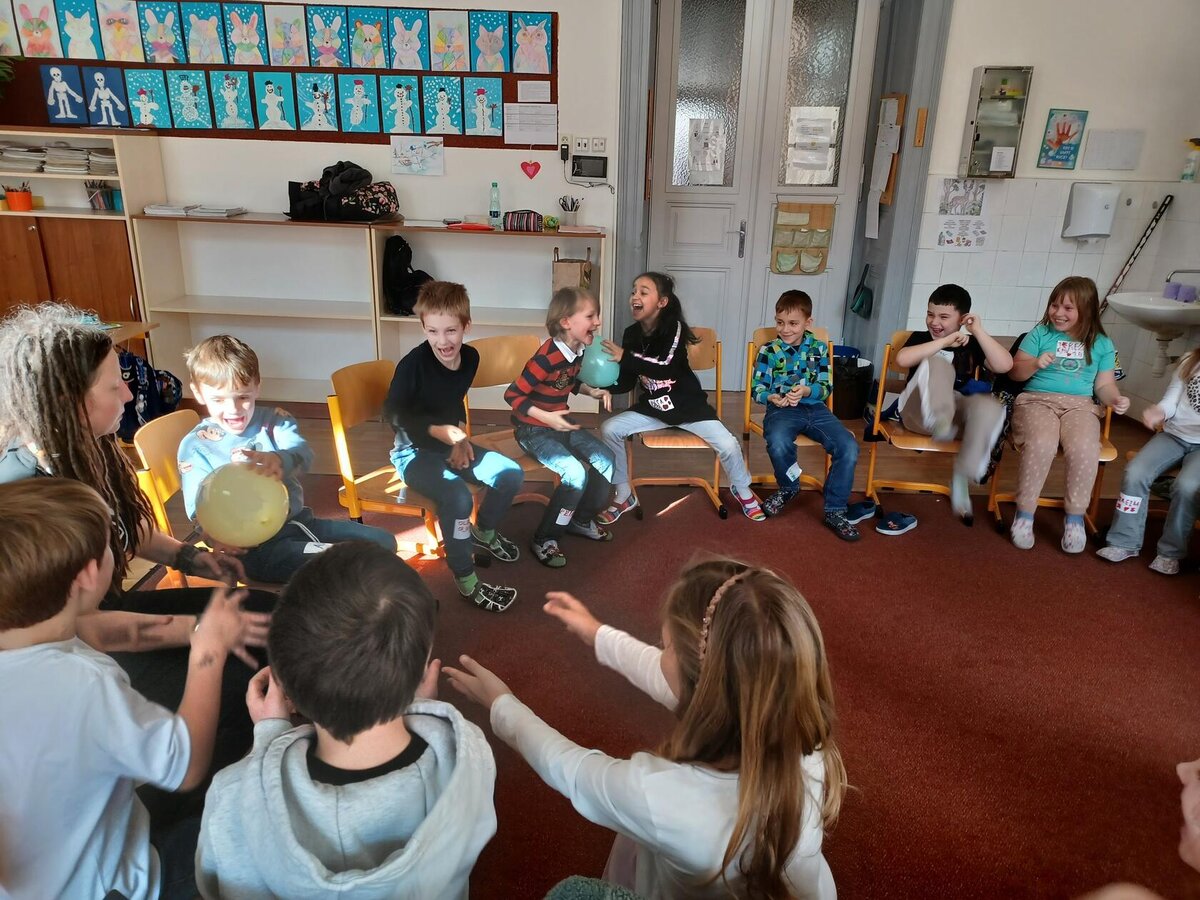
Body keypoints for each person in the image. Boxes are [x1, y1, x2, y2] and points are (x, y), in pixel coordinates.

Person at [447, 555, 847, 900]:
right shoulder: (794, 723)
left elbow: (571, 768)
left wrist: (502, 705)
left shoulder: (659, 795)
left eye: (667, 646)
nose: (660, 653)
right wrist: (598, 635)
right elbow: (667, 678)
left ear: (703, 684)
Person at [0, 303, 271, 787]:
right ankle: (193, 802)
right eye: (113, 386)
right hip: (76, 655)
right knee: (240, 681)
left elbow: (125, 527)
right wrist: (203, 632)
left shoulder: (86, 443)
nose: (128, 392)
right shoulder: (26, 493)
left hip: (106, 615)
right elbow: (78, 628)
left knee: (270, 619)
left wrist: (193, 559)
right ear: (69, 400)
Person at [0, 478, 256, 900]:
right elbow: (187, 765)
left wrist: (196, 627)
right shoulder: (83, 682)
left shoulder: (31, 641)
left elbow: (91, 630)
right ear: (89, 573)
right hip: (118, 885)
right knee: (258, 827)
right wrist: (208, 650)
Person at [196, 542, 497, 899]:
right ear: (421, 667)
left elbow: (217, 885)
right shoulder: (470, 752)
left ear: (284, 684)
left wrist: (270, 737)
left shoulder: (231, 796)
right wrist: (419, 710)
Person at [179, 334, 398, 583]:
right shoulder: (195, 446)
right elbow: (198, 509)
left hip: (300, 523)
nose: (233, 409)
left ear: (257, 386)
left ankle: (355, 581)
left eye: (243, 397)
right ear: (197, 393)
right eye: (218, 400)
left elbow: (303, 454)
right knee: (347, 562)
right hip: (254, 551)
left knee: (383, 542)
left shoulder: (276, 420)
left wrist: (279, 459)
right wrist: (214, 537)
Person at [384, 281, 524, 612]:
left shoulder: (470, 358)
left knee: (511, 474)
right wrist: (441, 432)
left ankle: (483, 532)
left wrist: (459, 436)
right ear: (423, 328)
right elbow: (392, 414)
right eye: (433, 331)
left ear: (466, 326)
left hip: (448, 444)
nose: (442, 341)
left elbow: (452, 398)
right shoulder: (412, 365)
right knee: (458, 498)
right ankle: (466, 579)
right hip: (412, 453)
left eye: (451, 331)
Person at [597, 272, 765, 524]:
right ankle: (623, 494)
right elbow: (629, 378)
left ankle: (742, 489)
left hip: (689, 409)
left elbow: (665, 367)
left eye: (643, 292)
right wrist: (606, 386)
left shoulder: (674, 329)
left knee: (729, 445)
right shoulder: (631, 334)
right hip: (653, 409)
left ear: (662, 302)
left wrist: (626, 357)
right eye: (633, 291)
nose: (635, 296)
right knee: (610, 428)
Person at [1006, 277, 1129, 552]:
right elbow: (1015, 372)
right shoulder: (1040, 334)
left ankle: (1075, 518)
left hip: (1081, 406)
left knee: (1085, 447)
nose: (1058, 313)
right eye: (1054, 305)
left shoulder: (1102, 343)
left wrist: (1115, 398)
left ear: (1087, 310)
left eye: (1068, 308)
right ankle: (1024, 514)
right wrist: (1035, 363)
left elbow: (1104, 385)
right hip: (1037, 401)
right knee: (1041, 442)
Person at [504, 286, 616, 568]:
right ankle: (545, 538)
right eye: (590, 316)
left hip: (560, 423)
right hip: (532, 430)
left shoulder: (577, 349)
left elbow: (567, 380)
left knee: (606, 459)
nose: (598, 322)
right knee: (575, 474)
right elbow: (513, 395)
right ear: (566, 322)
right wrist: (545, 417)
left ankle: (580, 520)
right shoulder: (545, 358)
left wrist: (591, 391)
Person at [750, 289, 875, 540]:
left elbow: (826, 386)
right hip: (782, 410)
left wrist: (808, 390)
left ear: (808, 323)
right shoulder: (768, 350)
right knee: (777, 441)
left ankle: (835, 510)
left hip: (817, 409)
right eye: (780, 322)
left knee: (848, 446)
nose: (785, 329)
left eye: (793, 323)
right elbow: (758, 388)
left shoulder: (819, 348)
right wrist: (770, 397)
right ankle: (789, 487)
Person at [892, 284, 1013, 524]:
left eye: (944, 317)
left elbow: (1005, 365)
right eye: (930, 314)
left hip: (954, 418)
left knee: (989, 407)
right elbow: (902, 359)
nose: (934, 322)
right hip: (917, 413)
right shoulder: (921, 339)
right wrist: (945, 341)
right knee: (938, 365)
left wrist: (977, 331)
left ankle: (961, 477)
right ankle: (940, 419)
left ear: (962, 318)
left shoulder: (971, 343)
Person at [1098, 348, 1200, 575]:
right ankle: (1124, 541)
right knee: (1135, 473)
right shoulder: (1190, 359)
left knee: (1187, 487)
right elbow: (1171, 401)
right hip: (1173, 436)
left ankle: (1170, 553)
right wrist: (1159, 411)